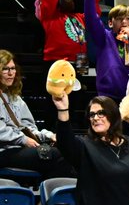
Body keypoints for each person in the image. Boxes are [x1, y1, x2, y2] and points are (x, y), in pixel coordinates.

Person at [0, 51, 74, 179]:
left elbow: (29, 129)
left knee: (68, 153)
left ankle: (50, 194)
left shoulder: (16, 99)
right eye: (5, 69)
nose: (11, 73)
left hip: (19, 148)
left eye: (13, 68)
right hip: (4, 151)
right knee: (58, 156)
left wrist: (48, 135)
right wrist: (23, 139)